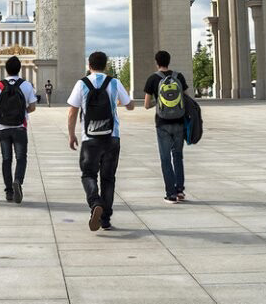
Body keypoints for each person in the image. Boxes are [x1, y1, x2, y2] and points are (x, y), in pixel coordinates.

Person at [67, 51, 135, 231]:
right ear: (105, 66)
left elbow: (72, 111)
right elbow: (129, 105)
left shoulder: (81, 84)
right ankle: (105, 219)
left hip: (89, 138)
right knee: (108, 178)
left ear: (89, 65)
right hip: (112, 136)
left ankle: (95, 202)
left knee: (88, 174)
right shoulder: (114, 82)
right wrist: (125, 103)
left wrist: (71, 134)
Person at [0, 56, 37, 203]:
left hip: (3, 129)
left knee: (6, 159)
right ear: (19, 69)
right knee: (21, 158)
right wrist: (23, 111)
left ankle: (9, 191)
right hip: (20, 127)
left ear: (6, 69)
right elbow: (33, 107)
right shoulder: (26, 85)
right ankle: (18, 181)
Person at [143, 50, 190, 203]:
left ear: (156, 62)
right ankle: (180, 190)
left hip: (162, 123)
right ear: (169, 61)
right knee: (178, 156)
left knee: (165, 159)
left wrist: (159, 101)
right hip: (179, 122)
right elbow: (186, 98)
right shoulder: (179, 77)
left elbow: (146, 105)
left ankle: (171, 194)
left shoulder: (152, 79)